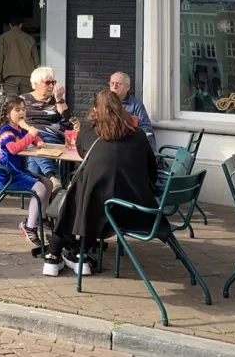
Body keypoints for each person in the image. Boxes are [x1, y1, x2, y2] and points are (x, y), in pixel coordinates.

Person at [43, 90, 158, 277]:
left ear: (96, 110)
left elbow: (81, 154)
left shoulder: (88, 132)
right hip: (136, 210)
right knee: (91, 195)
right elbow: (152, 173)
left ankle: (53, 255)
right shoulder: (138, 136)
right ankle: (79, 254)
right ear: (121, 109)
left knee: (81, 196)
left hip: (99, 212)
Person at [0, 95, 52, 247]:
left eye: (23, 109)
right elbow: (13, 149)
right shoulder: (6, 131)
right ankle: (29, 227)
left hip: (19, 172)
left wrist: (38, 141)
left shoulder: (19, 128)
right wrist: (32, 135)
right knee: (40, 189)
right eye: (17, 110)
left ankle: (41, 217)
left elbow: (31, 138)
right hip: (8, 176)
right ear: (7, 113)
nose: (21, 113)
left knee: (48, 183)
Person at [22, 66, 74, 191]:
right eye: (47, 82)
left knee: (34, 153)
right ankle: (51, 178)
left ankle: (43, 187)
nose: (51, 86)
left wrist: (59, 99)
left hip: (52, 137)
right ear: (35, 84)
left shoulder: (56, 101)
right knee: (33, 140)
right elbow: (16, 121)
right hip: (30, 137)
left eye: (53, 82)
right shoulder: (22, 100)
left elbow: (68, 122)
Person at [0, 17, 40, 96]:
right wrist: (37, 77)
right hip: (27, 76)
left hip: (10, 76)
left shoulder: (3, 38)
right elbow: (36, 58)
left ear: (9, 25)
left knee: (12, 103)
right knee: (26, 103)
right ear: (21, 25)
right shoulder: (29, 38)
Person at [108, 72, 155, 145]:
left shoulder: (136, 105)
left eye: (118, 84)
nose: (114, 86)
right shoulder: (105, 104)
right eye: (112, 83)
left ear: (128, 87)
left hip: (129, 143)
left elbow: (146, 128)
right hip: (109, 143)